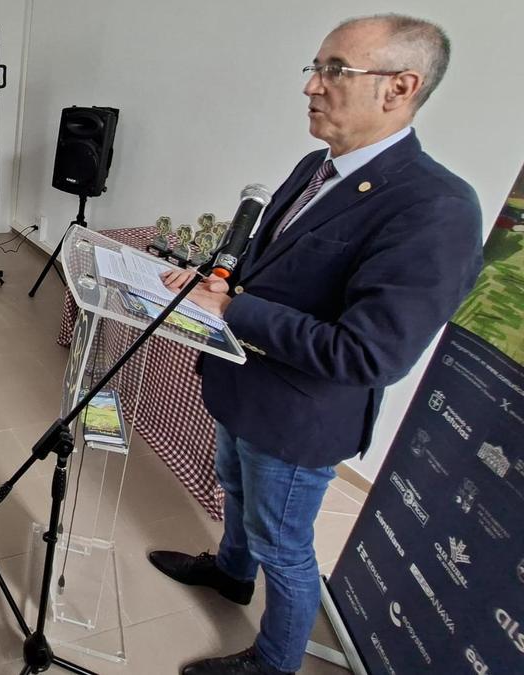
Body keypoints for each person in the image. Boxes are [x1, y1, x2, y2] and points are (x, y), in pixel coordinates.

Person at [148, 15, 484, 675]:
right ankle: (229, 571)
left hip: (301, 418)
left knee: (286, 545)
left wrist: (235, 308)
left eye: (335, 70)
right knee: (234, 492)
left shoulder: (437, 207)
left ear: (400, 87)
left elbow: (370, 354)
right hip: (244, 385)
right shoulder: (315, 165)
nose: (311, 85)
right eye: (316, 66)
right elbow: (269, 269)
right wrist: (214, 279)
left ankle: (275, 661)